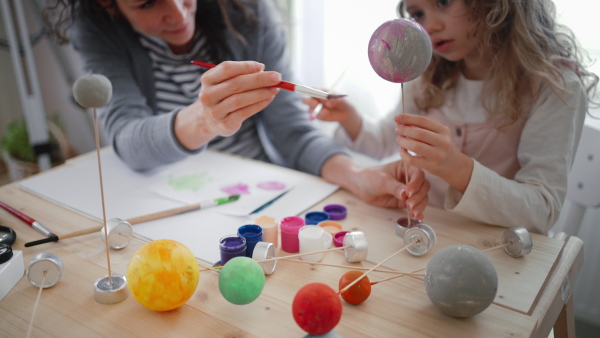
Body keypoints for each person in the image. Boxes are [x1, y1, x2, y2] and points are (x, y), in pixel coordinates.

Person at [42, 0, 429, 217]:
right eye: (147, 2)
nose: (178, 14)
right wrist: (202, 120)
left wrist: (357, 174)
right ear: (109, 6)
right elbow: (126, 139)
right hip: (168, 207)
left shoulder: (247, 10)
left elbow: (292, 131)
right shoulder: (95, 30)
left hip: (262, 195)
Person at [303, 0, 598, 234]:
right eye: (417, 13)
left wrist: (456, 168)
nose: (430, 25)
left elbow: (541, 211)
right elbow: (384, 142)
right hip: (429, 233)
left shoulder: (553, 87)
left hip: (502, 252)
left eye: (443, 2)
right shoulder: (428, 75)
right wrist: (349, 118)